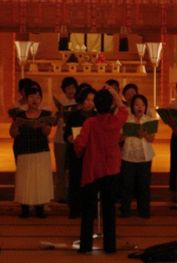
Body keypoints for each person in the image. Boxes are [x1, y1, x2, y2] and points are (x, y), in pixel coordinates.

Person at [74, 87, 128, 254]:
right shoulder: (116, 120)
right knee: (109, 209)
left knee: (88, 210)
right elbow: (124, 109)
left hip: (92, 169)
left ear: (96, 106)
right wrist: (114, 93)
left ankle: (85, 247)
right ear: (111, 105)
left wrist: (77, 148)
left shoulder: (90, 123)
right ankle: (110, 247)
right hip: (111, 168)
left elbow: (80, 144)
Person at [10, 85, 54, 218]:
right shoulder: (19, 115)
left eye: (38, 97)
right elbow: (12, 133)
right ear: (26, 99)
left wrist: (43, 126)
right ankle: (25, 208)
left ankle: (40, 207)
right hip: (25, 150)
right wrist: (16, 126)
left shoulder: (46, 114)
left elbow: (47, 133)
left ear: (41, 99)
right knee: (25, 180)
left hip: (41, 150)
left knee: (40, 179)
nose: (35, 99)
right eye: (31, 97)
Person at [120, 94, 156, 218]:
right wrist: (125, 134)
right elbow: (119, 138)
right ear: (132, 106)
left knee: (144, 185)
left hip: (144, 157)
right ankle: (125, 210)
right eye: (136, 105)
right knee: (127, 185)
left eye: (142, 105)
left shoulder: (149, 120)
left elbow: (151, 139)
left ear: (145, 107)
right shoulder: (127, 119)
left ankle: (144, 211)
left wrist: (144, 134)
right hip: (128, 155)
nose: (139, 107)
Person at [64, 84, 96, 218]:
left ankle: (91, 210)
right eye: (87, 100)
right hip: (76, 153)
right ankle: (75, 210)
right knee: (76, 181)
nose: (89, 103)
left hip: (92, 154)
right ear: (82, 100)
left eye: (92, 100)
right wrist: (69, 138)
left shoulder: (97, 116)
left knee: (91, 183)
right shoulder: (74, 116)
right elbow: (66, 134)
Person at [53, 77, 78, 203]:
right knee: (61, 168)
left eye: (73, 87)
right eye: (68, 88)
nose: (71, 90)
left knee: (72, 168)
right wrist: (58, 115)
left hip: (74, 138)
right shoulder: (60, 102)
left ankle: (71, 194)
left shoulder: (79, 103)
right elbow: (53, 122)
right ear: (64, 89)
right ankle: (60, 195)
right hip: (60, 138)